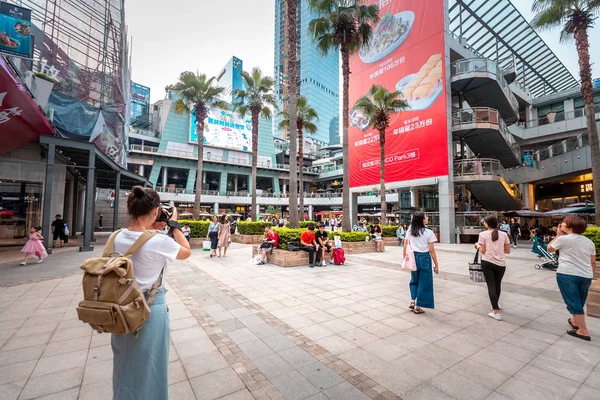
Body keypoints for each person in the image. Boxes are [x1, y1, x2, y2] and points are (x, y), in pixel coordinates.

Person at [111, 186, 191, 399]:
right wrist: (174, 225)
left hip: (120, 307)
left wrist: (153, 226)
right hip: (149, 309)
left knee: (124, 365)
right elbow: (186, 252)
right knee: (151, 367)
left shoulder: (116, 237)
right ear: (156, 211)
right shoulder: (159, 241)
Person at [548, 216, 596, 341]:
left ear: (569, 226)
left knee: (573, 302)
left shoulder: (563, 239)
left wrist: (558, 235)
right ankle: (575, 321)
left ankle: (583, 330)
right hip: (586, 275)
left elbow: (550, 248)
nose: (561, 224)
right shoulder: (589, 242)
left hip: (567, 274)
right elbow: (593, 262)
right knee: (579, 300)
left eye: (563, 223)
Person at [475, 215, 510, 321]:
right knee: (497, 284)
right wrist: (497, 249)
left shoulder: (483, 234)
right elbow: (508, 250)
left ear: (487, 223)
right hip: (501, 264)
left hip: (487, 262)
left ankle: (495, 311)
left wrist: (477, 245)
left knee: (491, 285)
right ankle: (496, 305)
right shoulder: (504, 234)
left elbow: (483, 251)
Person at [403, 212, 439, 314]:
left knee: (414, 280)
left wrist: (405, 259)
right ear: (422, 220)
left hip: (413, 257)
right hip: (424, 258)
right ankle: (418, 307)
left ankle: (413, 300)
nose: (427, 218)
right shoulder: (428, 232)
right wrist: (436, 264)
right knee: (424, 282)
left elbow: (405, 244)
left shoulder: (410, 229)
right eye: (426, 217)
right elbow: (432, 250)